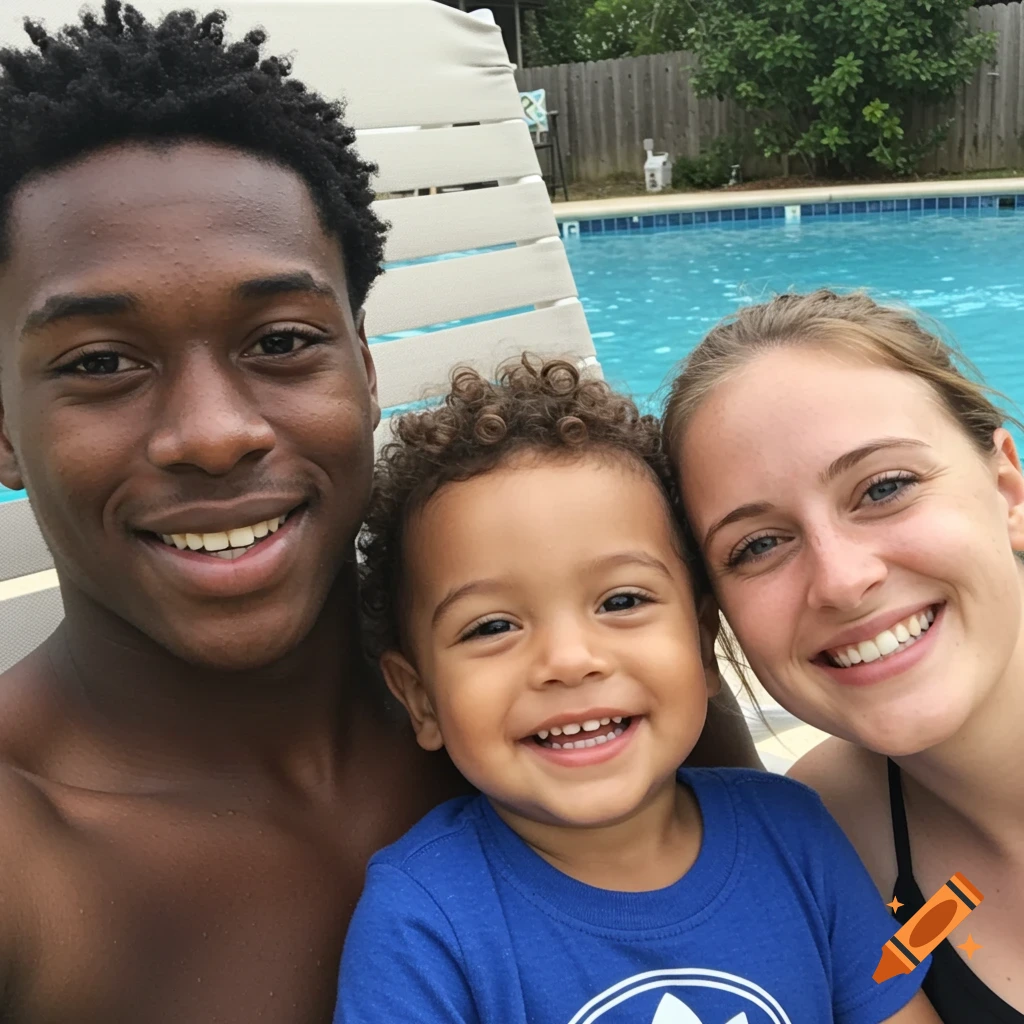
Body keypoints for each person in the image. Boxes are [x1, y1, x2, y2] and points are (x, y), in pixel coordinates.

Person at [0, 5, 759, 1022]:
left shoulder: (611, 696)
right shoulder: (25, 862)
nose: (214, 433)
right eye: (100, 363)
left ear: (363, 369)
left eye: (280, 341)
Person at [334, 355, 938, 1024]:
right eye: (493, 626)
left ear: (703, 644)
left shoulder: (795, 834)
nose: (569, 661)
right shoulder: (422, 921)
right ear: (420, 698)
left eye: (621, 601)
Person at [662, 289, 1024, 1021]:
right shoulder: (831, 836)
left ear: (1007, 490)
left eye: (885, 488)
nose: (840, 579)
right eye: (758, 545)